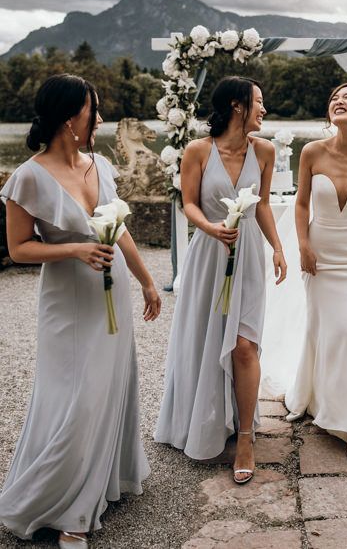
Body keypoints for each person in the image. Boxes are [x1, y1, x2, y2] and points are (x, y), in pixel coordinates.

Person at [0, 74, 161, 547]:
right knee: (77, 398)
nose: (102, 117)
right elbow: (18, 248)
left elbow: (121, 229)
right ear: (71, 117)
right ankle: (67, 506)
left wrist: (147, 281)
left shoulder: (100, 165)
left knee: (110, 387)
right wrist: (73, 251)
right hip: (68, 304)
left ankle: (103, 478)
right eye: (95, 109)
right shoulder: (28, 176)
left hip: (112, 299)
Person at [155, 76, 286, 485]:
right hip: (209, 255)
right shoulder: (197, 150)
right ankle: (204, 419)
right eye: (259, 102)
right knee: (206, 339)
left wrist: (278, 247)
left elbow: (261, 205)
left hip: (247, 254)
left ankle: (245, 437)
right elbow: (188, 203)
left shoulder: (264, 150)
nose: (264, 110)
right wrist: (210, 228)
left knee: (245, 346)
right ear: (237, 105)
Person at [285, 83, 347, 463]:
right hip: (320, 253)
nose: (338, 101)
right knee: (320, 326)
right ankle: (310, 396)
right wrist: (304, 245)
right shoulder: (312, 152)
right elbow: (300, 205)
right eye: (333, 98)